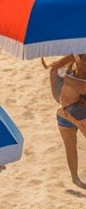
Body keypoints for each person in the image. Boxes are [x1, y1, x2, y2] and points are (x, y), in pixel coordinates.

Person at [53, 53, 86, 186]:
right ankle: (75, 178)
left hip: (63, 113)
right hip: (76, 114)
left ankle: (75, 178)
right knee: (70, 148)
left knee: (70, 148)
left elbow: (54, 69)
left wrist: (72, 56)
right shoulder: (77, 80)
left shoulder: (68, 70)